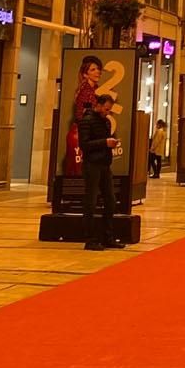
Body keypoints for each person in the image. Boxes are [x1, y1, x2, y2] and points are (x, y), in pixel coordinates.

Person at [78, 89, 122, 251]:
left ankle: (107, 236)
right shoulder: (86, 121)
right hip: (92, 166)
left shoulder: (106, 121)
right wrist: (105, 142)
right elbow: (84, 145)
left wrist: (111, 143)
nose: (107, 112)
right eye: (106, 109)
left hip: (104, 165)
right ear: (98, 105)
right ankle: (90, 238)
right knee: (91, 201)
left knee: (110, 200)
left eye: (109, 109)